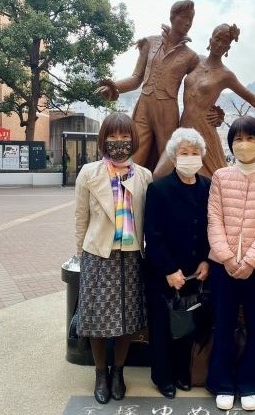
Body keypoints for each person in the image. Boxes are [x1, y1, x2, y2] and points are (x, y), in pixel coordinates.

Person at [206, 116, 255, 411]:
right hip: (222, 266)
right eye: (238, 139)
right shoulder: (220, 177)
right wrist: (227, 257)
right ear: (231, 144)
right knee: (223, 324)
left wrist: (250, 261)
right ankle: (223, 383)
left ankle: (251, 383)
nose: (244, 144)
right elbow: (214, 219)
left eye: (250, 138)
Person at [75, 112, 153, 404]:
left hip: (132, 255)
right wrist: (81, 256)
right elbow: (81, 218)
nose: (118, 142)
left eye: (124, 136)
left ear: (133, 139)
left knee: (127, 318)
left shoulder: (144, 176)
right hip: (98, 254)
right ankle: (100, 373)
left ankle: (118, 372)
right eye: (112, 136)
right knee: (97, 318)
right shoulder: (89, 173)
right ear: (103, 139)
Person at [144, 127, 211, 399]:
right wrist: (169, 270)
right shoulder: (158, 189)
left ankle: (184, 372)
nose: (190, 157)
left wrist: (206, 260)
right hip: (164, 271)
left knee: (188, 322)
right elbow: (153, 235)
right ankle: (163, 377)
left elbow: (211, 227)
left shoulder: (208, 187)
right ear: (174, 156)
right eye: (184, 152)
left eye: (195, 152)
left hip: (196, 272)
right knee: (162, 325)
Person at [179, 23, 255, 178]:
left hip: (204, 131)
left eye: (224, 42)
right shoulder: (195, 61)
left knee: (210, 179)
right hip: (183, 126)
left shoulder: (225, 75)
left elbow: (252, 99)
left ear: (228, 48)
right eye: (217, 39)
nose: (219, 44)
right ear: (210, 39)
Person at [95, 1, 199, 176]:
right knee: (134, 154)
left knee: (168, 158)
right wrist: (113, 87)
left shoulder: (191, 57)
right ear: (173, 17)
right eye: (184, 17)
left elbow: (200, 86)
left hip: (167, 111)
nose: (188, 23)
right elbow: (136, 78)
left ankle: (161, 192)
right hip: (144, 105)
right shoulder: (150, 42)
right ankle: (125, 189)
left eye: (191, 19)